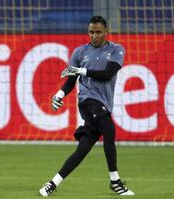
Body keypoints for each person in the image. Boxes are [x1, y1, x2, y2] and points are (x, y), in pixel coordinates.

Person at [39, 16, 134, 196]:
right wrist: (59, 95)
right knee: (109, 131)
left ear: (106, 32)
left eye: (98, 32)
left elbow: (107, 74)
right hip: (88, 101)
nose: (94, 36)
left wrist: (80, 70)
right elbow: (70, 82)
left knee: (83, 148)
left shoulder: (116, 50)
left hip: (104, 103)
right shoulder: (79, 53)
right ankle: (115, 181)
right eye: (91, 32)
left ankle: (52, 183)